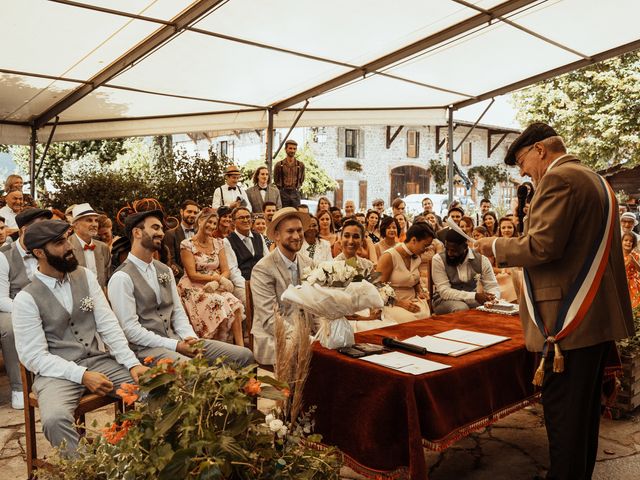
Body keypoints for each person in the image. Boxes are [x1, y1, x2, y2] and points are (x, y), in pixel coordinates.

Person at [474, 122, 634, 480]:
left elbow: (542, 246)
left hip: (567, 320)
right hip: (594, 316)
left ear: (540, 150)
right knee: (583, 420)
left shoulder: (558, 180)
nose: (523, 171)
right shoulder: (596, 179)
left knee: (564, 421)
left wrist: (494, 246)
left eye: (522, 161)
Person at [13, 219, 148, 455]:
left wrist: (132, 363)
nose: (69, 246)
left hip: (98, 361)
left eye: (66, 239)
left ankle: (138, 457)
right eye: (58, 243)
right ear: (38, 253)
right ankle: (87, 469)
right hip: (55, 373)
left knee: (154, 389)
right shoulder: (26, 298)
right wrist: (82, 375)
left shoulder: (84, 275)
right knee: (54, 420)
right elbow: (34, 357)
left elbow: (108, 325)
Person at [108, 210, 252, 365]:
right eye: (155, 228)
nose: (161, 233)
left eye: (162, 229)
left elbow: (177, 312)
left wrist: (191, 339)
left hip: (178, 340)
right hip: (146, 350)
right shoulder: (121, 278)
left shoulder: (165, 270)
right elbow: (130, 331)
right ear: (137, 232)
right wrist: (175, 345)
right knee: (195, 370)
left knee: (244, 356)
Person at [0, 208, 53, 410]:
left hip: (44, 304)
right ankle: (19, 388)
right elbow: (1, 299)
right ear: (24, 230)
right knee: (11, 329)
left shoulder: (47, 249)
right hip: (10, 307)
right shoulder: (4, 256)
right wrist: (30, 311)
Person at [250, 207, 314, 365]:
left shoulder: (309, 263)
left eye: (299, 230)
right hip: (273, 337)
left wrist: (323, 334)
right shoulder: (263, 268)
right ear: (277, 236)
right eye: (290, 231)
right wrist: (303, 339)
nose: (297, 236)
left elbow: (316, 305)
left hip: (308, 333)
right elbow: (270, 319)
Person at [176, 209, 245, 345]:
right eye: (209, 222)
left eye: (215, 223)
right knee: (218, 302)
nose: (212, 226)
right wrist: (217, 279)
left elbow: (226, 270)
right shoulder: (187, 244)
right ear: (200, 221)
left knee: (235, 303)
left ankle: (240, 346)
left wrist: (219, 281)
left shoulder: (218, 243)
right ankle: (216, 345)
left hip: (214, 284)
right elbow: (192, 274)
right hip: (193, 286)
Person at [431, 229, 500, 314]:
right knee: (461, 308)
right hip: (443, 300)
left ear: (465, 246)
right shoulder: (438, 259)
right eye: (447, 249)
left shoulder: (482, 260)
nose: (449, 253)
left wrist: (493, 299)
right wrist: (474, 296)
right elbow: (444, 292)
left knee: (490, 307)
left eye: (453, 250)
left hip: (470, 300)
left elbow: (492, 285)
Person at [377, 223, 434, 323]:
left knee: (425, 315)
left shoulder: (417, 256)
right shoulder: (389, 256)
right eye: (425, 246)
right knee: (409, 320)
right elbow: (378, 287)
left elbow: (415, 280)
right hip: (392, 303)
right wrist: (400, 303)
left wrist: (420, 292)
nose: (426, 250)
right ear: (414, 240)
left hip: (413, 300)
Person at [223, 206, 268, 303]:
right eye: (241, 218)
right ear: (234, 222)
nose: (246, 220)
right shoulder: (227, 241)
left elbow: (268, 260)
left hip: (263, 280)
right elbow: (233, 270)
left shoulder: (259, 236)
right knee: (252, 302)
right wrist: (248, 286)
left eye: (248, 217)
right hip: (242, 284)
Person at [68, 203, 111, 290]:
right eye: (89, 220)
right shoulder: (66, 247)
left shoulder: (103, 248)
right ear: (75, 225)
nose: (95, 224)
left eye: (96, 220)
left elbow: (107, 279)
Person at [163, 200, 200, 279]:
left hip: (202, 276)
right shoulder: (170, 234)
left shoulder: (199, 233)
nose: (192, 215)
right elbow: (171, 261)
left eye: (195, 213)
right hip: (181, 278)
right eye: (189, 211)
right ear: (181, 212)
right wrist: (188, 275)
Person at [273, 139, 305, 208]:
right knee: (284, 213)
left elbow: (302, 179)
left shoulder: (301, 165)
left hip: (295, 192)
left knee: (296, 213)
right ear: (285, 149)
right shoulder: (279, 165)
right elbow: (276, 179)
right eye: (290, 148)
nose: (292, 151)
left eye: (294, 149)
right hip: (283, 192)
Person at [622, 233, 640, 308]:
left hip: (634, 282)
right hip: (623, 281)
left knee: (635, 302)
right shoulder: (618, 255)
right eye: (626, 240)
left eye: (631, 241)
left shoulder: (635, 255)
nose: (628, 242)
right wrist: (627, 262)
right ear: (621, 241)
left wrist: (633, 260)